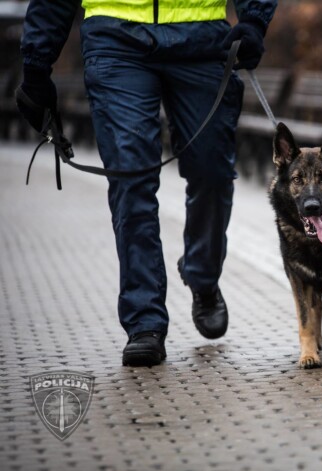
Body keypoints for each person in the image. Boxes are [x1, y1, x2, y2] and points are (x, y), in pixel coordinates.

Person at [16, 0, 278, 367]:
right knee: (130, 178)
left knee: (212, 173)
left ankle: (202, 275)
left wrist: (254, 19)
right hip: (115, 38)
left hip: (202, 37)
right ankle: (145, 322)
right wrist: (37, 62)